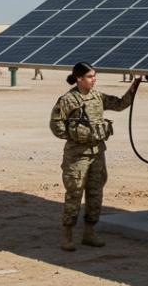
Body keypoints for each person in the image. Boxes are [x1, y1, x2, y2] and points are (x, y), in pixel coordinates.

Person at [49, 62, 140, 251]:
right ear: (79, 78)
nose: (94, 80)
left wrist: (133, 89)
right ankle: (67, 235)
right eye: (90, 77)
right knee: (74, 193)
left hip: (97, 154)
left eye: (94, 76)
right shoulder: (67, 100)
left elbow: (120, 104)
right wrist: (77, 136)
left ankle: (89, 233)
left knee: (95, 193)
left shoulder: (98, 97)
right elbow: (56, 126)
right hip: (77, 156)